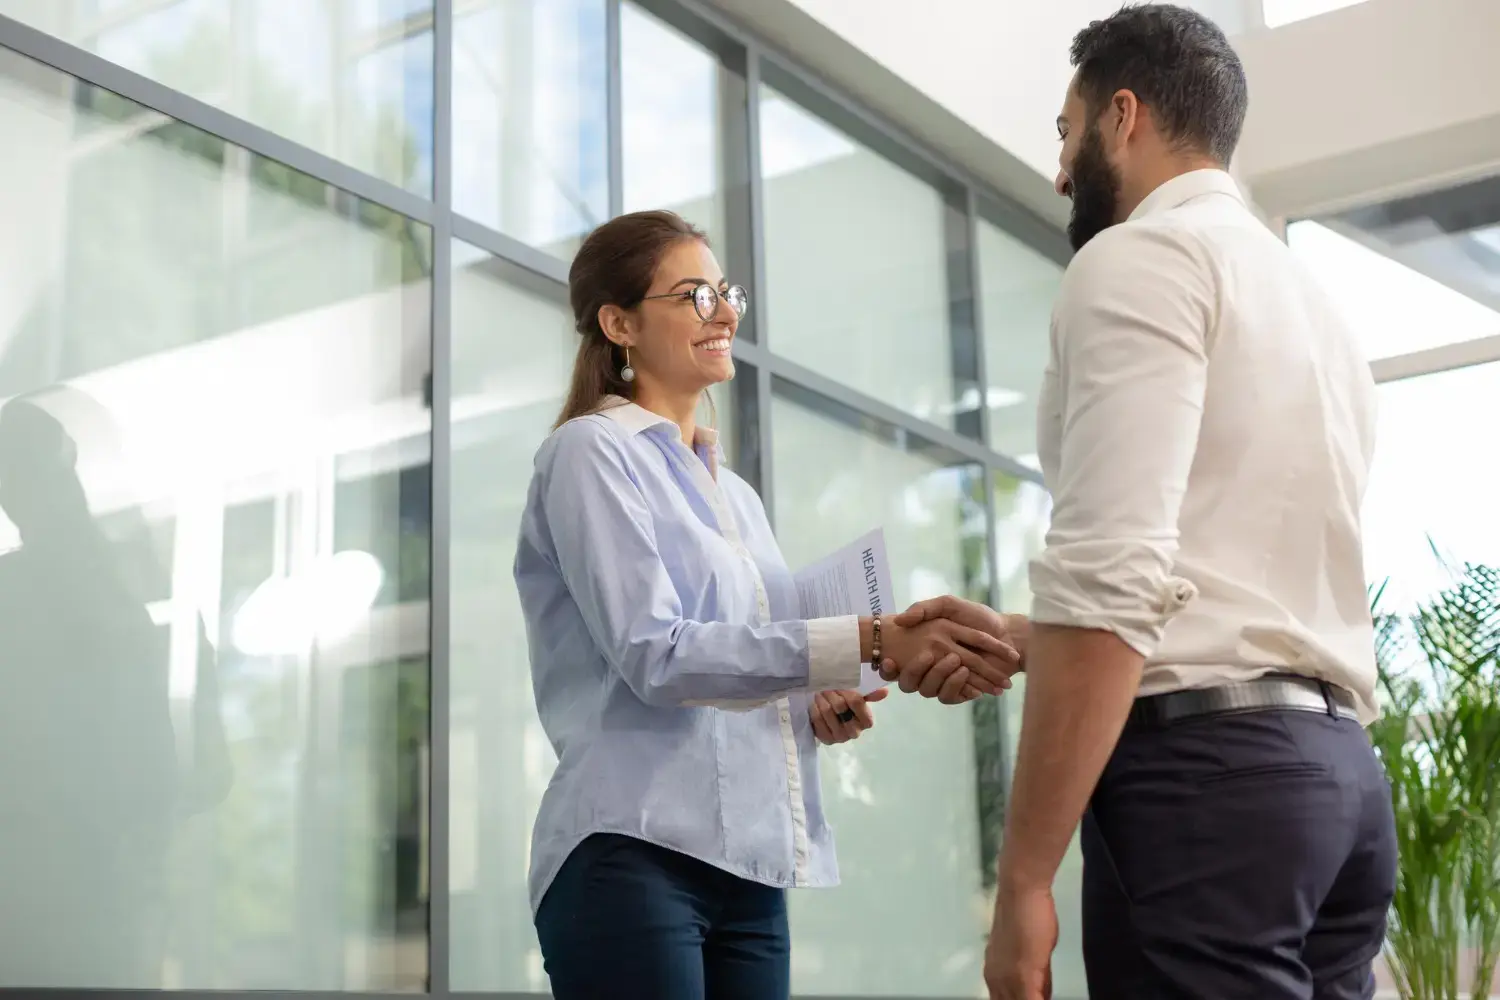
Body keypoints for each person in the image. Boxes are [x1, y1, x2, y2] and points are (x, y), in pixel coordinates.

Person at [894, 6, 1396, 999]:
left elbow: (1115, 571)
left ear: (1122, 116)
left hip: (1209, 790)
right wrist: (1028, 634)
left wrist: (1026, 881)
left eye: (1065, 130)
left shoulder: (1137, 260)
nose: (1061, 170)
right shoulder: (1315, 307)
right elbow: (1226, 580)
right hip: (1339, 782)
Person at [513, 209, 1023, 1000]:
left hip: (751, 870)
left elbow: (746, 664)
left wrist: (816, 700)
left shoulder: (735, 495)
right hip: (633, 850)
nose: (724, 313)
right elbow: (657, 655)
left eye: (725, 292)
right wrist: (869, 635)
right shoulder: (590, 453)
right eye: (694, 295)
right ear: (619, 324)